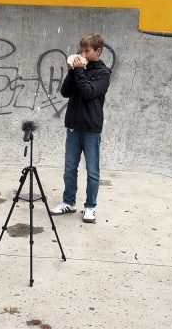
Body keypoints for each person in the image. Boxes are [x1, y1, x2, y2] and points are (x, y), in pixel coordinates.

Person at [50, 34, 111, 223]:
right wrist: (72, 71)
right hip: (73, 127)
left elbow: (88, 92)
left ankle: (90, 207)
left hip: (91, 129)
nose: (82, 53)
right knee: (70, 169)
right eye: (81, 50)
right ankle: (69, 202)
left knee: (92, 171)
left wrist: (80, 71)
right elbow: (65, 92)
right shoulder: (78, 70)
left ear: (98, 51)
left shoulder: (103, 73)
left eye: (87, 51)